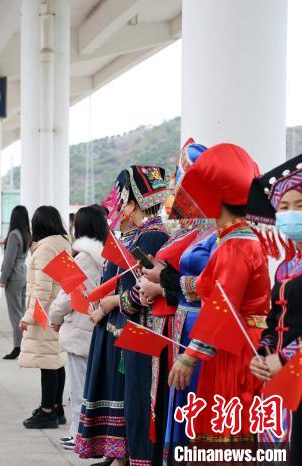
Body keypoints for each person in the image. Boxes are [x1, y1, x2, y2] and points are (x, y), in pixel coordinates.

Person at [166, 144, 269, 446]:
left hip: (235, 346)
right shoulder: (232, 239)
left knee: (227, 430)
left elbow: (223, 303)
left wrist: (189, 355)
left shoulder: (237, 244)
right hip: (229, 341)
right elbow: (206, 286)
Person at [77, 165, 171, 466]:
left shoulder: (153, 236)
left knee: (134, 397)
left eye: (122, 199)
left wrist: (108, 303)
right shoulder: (134, 235)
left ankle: (131, 456)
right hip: (117, 327)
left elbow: (142, 291)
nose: (117, 206)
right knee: (122, 396)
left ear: (134, 201)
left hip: (137, 329)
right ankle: (119, 454)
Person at [135, 141, 215, 461]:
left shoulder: (216, 234)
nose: (181, 195)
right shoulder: (191, 231)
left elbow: (212, 286)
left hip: (196, 324)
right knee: (177, 403)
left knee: (193, 404)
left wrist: (161, 283)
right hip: (179, 323)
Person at [247, 153, 301, 464]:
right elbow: (273, 320)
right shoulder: (284, 267)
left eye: (299, 205)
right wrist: (263, 354)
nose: (291, 213)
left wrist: (284, 359)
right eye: (284, 207)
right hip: (278, 378)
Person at [48, 205, 107, 449]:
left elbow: (65, 296)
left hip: (79, 329)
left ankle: (79, 435)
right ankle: (83, 433)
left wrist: (54, 317)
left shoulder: (83, 259)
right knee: (91, 386)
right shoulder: (105, 257)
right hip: (95, 327)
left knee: (79, 387)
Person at [18, 205, 70, 429]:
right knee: (56, 360)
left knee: (47, 362)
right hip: (56, 309)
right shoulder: (62, 242)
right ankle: (56, 408)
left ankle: (47, 411)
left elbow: (42, 288)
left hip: (45, 312)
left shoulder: (45, 248)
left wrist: (28, 316)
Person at [0, 205, 31, 360]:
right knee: (23, 312)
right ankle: (26, 343)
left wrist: (2, 279)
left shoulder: (13, 235)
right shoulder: (26, 234)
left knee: (15, 314)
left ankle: (18, 346)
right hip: (23, 274)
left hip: (14, 277)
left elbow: (8, 261)